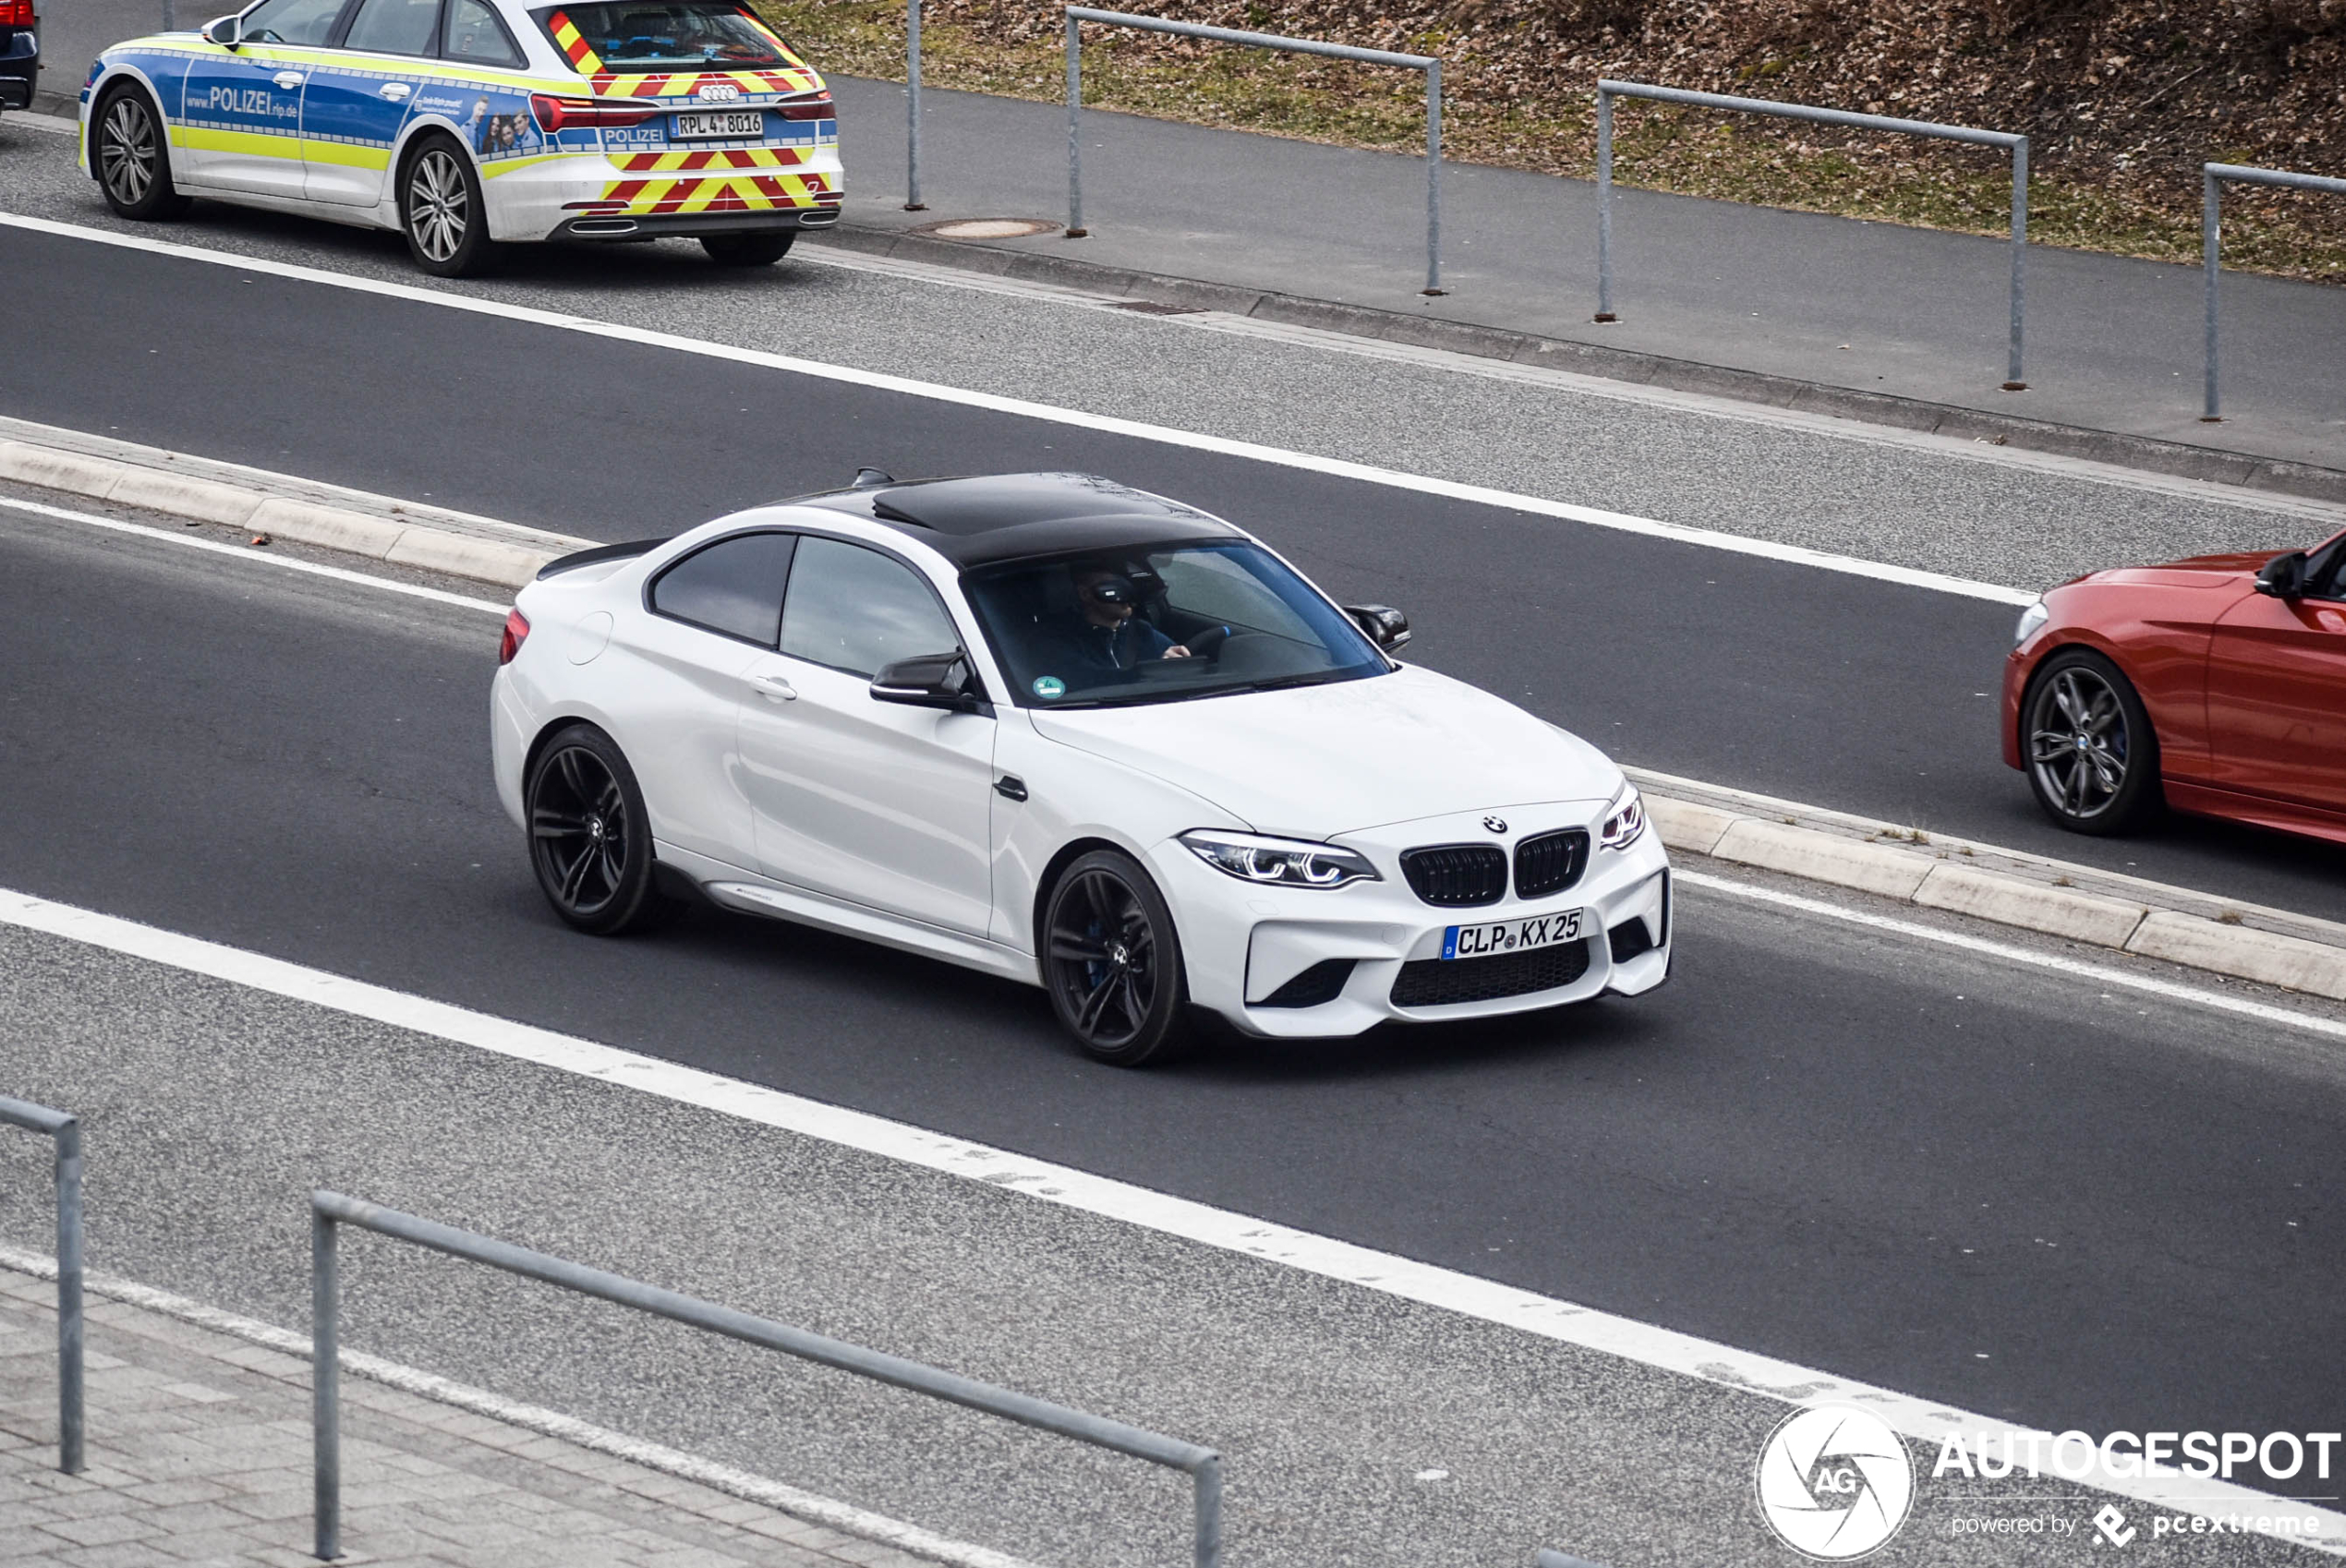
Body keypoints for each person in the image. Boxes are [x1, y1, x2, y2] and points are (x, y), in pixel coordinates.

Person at [1065, 568, 1191, 670]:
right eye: (1114, 588)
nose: (1125, 595)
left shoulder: (1143, 632)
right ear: (1085, 594)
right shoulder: (1063, 641)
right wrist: (1152, 672)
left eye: (1127, 587)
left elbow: (1186, 668)